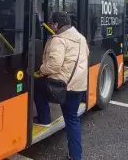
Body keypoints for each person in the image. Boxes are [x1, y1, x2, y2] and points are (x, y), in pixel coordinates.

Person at [34, 11, 89, 159]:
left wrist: (41, 70)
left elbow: (54, 65)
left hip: (63, 86)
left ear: (57, 24)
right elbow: (86, 55)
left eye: (53, 23)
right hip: (79, 86)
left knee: (38, 88)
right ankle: (76, 156)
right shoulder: (81, 38)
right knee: (72, 119)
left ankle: (44, 119)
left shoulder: (58, 40)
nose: (52, 26)